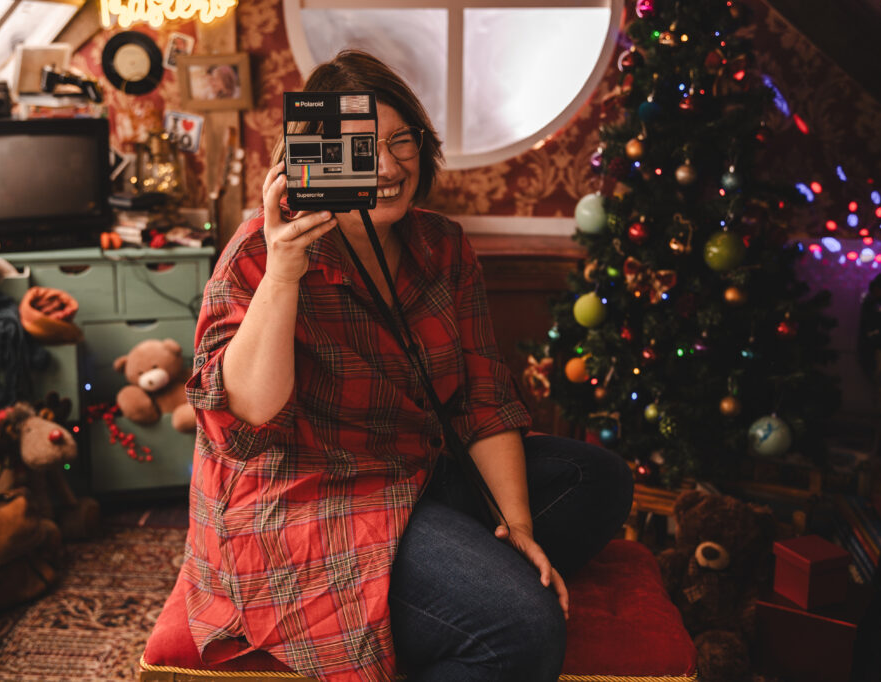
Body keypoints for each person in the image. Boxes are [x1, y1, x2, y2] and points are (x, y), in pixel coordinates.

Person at [183, 49, 634, 682]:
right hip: (305, 500)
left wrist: (518, 525)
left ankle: (444, 582)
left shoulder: (442, 244)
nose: (392, 167)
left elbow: (483, 395)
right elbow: (252, 412)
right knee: (526, 630)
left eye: (405, 142)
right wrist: (283, 274)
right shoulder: (262, 249)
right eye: (364, 150)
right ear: (309, 160)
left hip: (414, 471)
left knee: (601, 479)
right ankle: (457, 606)